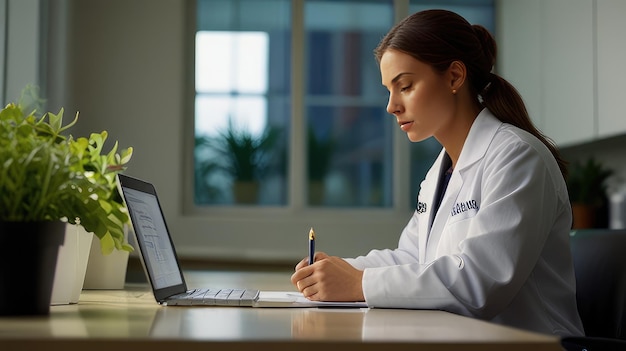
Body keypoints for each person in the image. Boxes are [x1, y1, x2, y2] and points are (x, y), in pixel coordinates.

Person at [291, 9, 584, 337]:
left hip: (532, 344)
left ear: (455, 77)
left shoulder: (517, 156)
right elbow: (412, 257)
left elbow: (479, 283)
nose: (391, 105)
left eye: (405, 86)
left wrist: (358, 283)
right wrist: (341, 271)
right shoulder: (439, 172)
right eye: (389, 90)